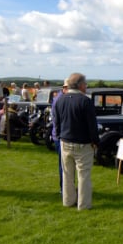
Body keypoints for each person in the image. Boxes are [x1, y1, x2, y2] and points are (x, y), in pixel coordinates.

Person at [54, 72, 99, 210]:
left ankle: (68, 201)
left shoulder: (60, 99)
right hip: (83, 144)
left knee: (67, 173)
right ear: (80, 85)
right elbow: (92, 125)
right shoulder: (85, 101)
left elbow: (57, 122)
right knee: (83, 174)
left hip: (65, 141)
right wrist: (95, 141)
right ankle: (84, 204)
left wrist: (60, 136)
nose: (86, 86)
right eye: (85, 84)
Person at [50, 81, 69, 193]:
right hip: (61, 136)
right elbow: (58, 120)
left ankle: (66, 187)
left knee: (65, 164)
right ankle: (64, 188)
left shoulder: (60, 98)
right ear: (65, 88)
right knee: (64, 165)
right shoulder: (61, 100)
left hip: (59, 135)